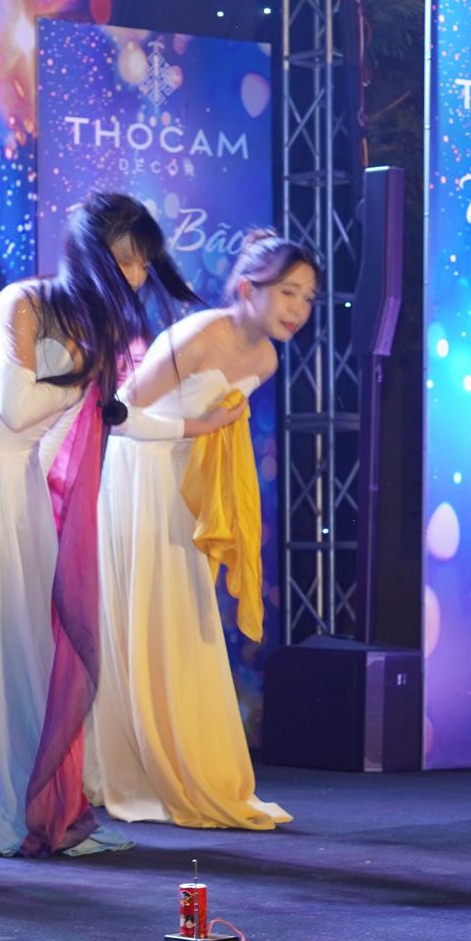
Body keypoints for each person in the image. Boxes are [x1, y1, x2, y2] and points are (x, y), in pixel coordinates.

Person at [0, 193, 207, 856]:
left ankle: (32, 808)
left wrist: (190, 423)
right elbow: (18, 408)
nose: (136, 275)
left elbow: (103, 420)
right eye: (127, 258)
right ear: (91, 253)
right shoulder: (25, 302)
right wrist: (91, 375)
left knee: (28, 654)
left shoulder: (92, 333)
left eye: (143, 263)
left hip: (15, 484)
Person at [86, 231, 318, 830]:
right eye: (288, 292)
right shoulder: (199, 336)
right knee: (145, 616)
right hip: (140, 477)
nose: (298, 308)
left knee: (183, 622)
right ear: (247, 288)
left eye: (308, 298)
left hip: (189, 491)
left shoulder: (266, 359)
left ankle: (179, 762)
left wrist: (208, 437)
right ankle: (130, 765)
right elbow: (117, 414)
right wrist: (202, 426)